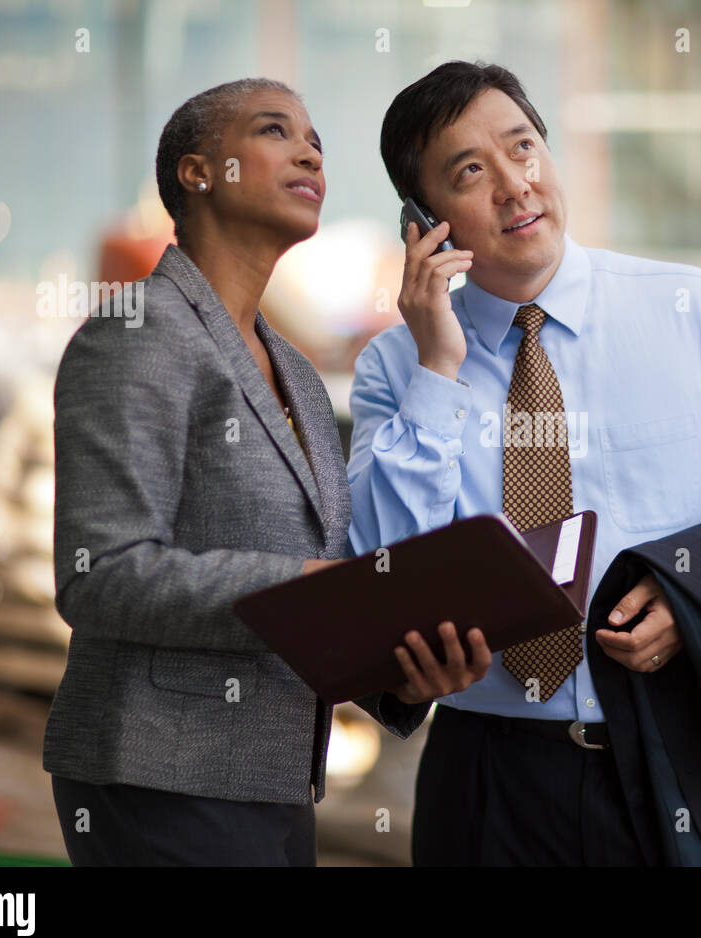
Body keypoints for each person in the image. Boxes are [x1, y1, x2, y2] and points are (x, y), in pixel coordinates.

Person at [348, 61, 701, 865]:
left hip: (691, 752)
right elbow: (391, 574)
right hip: (494, 776)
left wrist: (696, 600)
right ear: (422, 221)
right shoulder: (395, 369)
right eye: (470, 173)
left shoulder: (694, 312)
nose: (516, 186)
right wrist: (437, 369)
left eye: (523, 148)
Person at [43, 78, 490, 866]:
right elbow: (100, 575)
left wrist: (404, 678)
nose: (310, 149)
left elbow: (320, 596)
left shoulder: (299, 376)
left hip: (277, 778)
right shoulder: (137, 331)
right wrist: (310, 591)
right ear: (198, 173)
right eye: (275, 130)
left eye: (316, 137)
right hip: (161, 773)